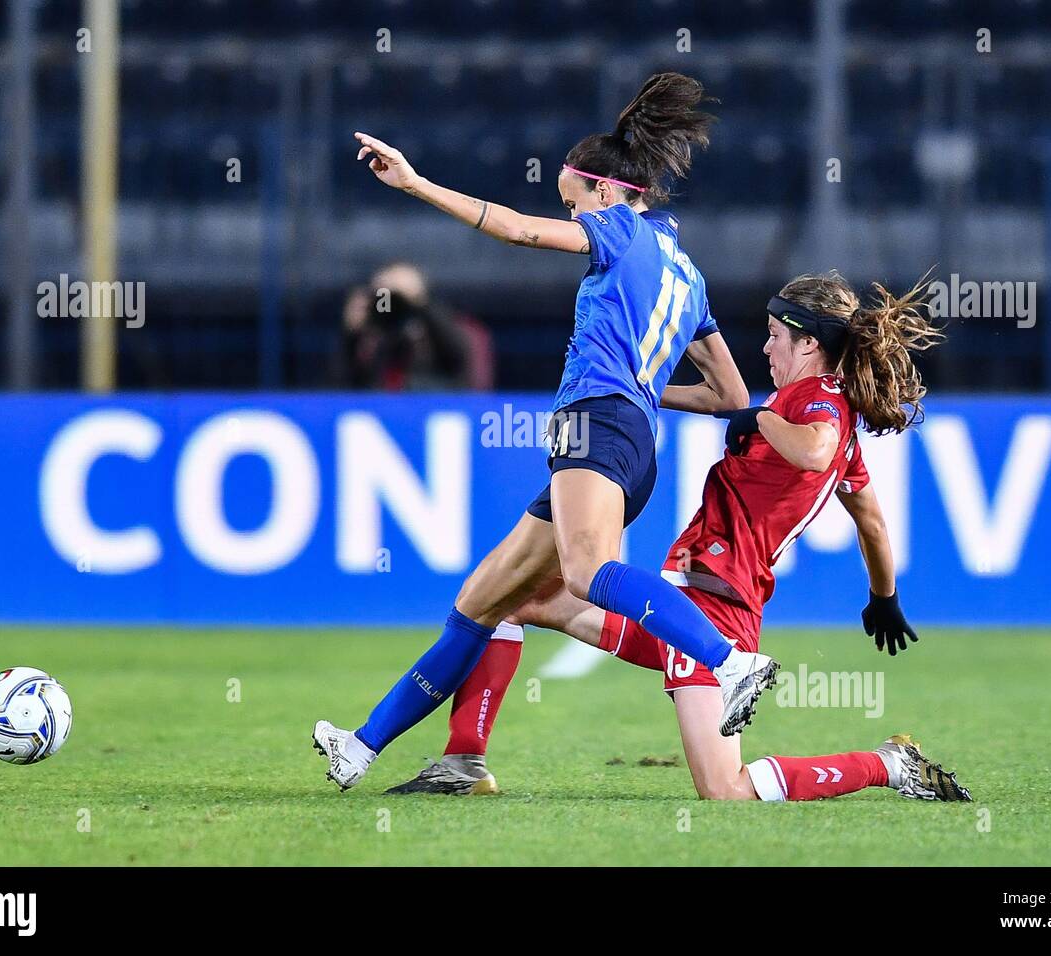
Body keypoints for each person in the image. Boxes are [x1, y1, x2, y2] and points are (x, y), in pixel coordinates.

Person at [314, 74, 779, 792]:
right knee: (484, 602)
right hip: (631, 440)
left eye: (573, 201)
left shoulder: (617, 229)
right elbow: (733, 394)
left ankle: (728, 661)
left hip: (597, 426)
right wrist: (649, 387)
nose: (569, 214)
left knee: (588, 573)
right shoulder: (689, 277)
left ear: (607, 192)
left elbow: (520, 230)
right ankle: (362, 748)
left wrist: (415, 184)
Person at [386, 271, 971, 806]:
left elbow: (814, 450)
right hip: (684, 595)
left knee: (726, 791)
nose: (766, 348)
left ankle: (887, 765)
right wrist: (884, 596)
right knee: (518, 597)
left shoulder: (812, 402)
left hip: (715, 612)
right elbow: (868, 518)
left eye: (773, 335)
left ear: (808, 343)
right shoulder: (822, 414)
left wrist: (759, 418)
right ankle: (464, 762)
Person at [330, 261, 480, 391]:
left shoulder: (441, 331)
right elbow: (338, 387)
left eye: (396, 299)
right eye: (385, 299)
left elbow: (460, 362)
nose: (393, 306)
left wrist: (416, 302)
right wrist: (352, 336)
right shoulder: (369, 338)